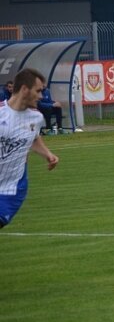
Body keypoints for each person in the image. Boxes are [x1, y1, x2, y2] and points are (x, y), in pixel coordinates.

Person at [0, 68, 59, 229]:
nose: (41, 96)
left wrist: (47, 153)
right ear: (25, 89)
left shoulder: (36, 117)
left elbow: (33, 137)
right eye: (38, 91)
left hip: (12, 190)